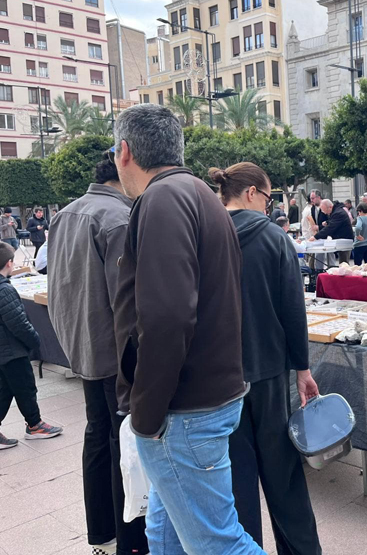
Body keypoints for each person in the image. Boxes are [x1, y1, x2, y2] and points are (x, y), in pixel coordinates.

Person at [110, 104, 261, 554]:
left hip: (183, 410)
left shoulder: (162, 199)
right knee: (164, 532)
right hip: (202, 399)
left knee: (219, 543)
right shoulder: (197, 193)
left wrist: (147, 412)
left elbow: (168, 316)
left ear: (124, 152)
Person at [209, 163, 322, 553]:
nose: (268, 205)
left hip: (220, 377)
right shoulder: (274, 238)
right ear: (251, 193)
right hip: (269, 371)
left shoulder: (204, 235)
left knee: (236, 480)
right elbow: (293, 310)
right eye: (268, 196)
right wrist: (302, 368)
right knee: (284, 475)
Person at [48, 157, 149, 555]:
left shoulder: (66, 214)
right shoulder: (118, 218)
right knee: (123, 442)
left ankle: (101, 531)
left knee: (97, 434)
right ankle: (131, 541)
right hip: (114, 353)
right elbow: (126, 303)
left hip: (83, 345)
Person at [0, 242, 63, 450]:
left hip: (4, 351)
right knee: (25, 387)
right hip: (12, 350)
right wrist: (35, 341)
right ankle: (35, 425)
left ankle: (34, 424)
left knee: (6, 389)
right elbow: (18, 323)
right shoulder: (4, 290)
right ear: (9, 263)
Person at [315, 199, 353, 264]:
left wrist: (316, 236)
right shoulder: (336, 211)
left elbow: (331, 227)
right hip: (342, 239)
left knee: (344, 263)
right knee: (343, 262)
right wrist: (328, 222)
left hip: (344, 240)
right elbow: (335, 221)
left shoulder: (338, 213)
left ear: (330, 207)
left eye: (325, 210)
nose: (325, 213)